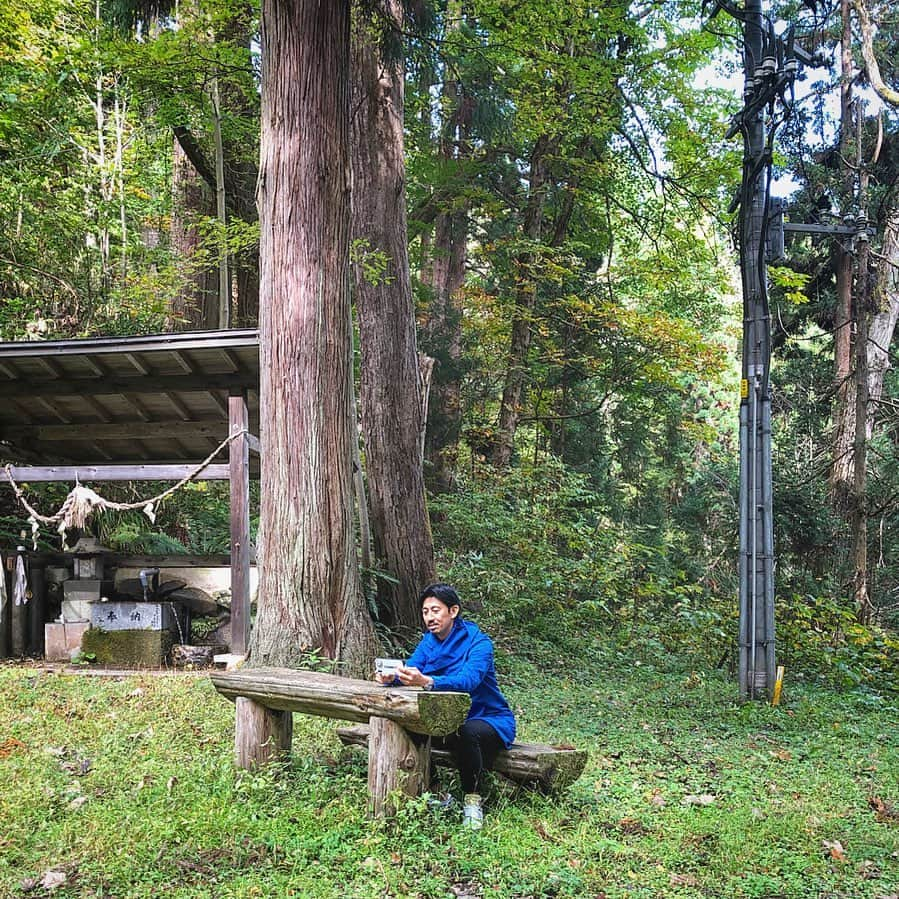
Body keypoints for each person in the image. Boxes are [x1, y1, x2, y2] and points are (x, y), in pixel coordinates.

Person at [375, 583, 516, 829]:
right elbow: (412, 667)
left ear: (453, 611)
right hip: (448, 716)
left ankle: (472, 803)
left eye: (435, 610)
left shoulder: (479, 643)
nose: (430, 617)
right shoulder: (429, 642)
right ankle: (438, 792)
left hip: (489, 718)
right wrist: (393, 677)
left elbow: (468, 680)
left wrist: (428, 681)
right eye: (425, 611)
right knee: (415, 726)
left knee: (466, 731)